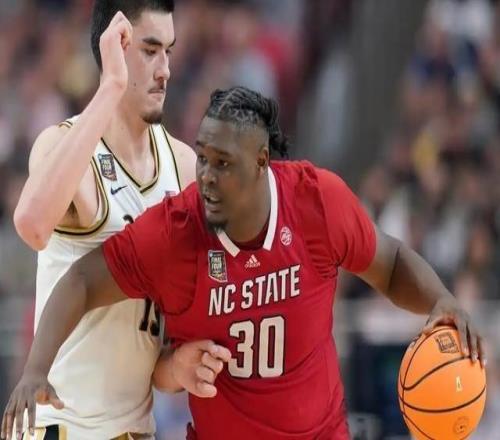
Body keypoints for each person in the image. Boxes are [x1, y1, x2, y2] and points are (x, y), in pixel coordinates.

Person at [3, 86, 486, 440]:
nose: (206, 177)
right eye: (202, 159)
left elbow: (391, 261)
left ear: (261, 162)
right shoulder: (176, 230)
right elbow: (82, 280)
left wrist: (440, 299)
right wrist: (36, 370)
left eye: (223, 163)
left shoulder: (317, 202)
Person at [1, 1, 230, 440]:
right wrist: (110, 87)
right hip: (60, 426)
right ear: (114, 49)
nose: (165, 70)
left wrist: (179, 367)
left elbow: (156, 353)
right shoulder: (64, 147)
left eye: (168, 51)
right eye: (150, 50)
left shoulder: (183, 167)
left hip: (136, 429)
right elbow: (32, 225)